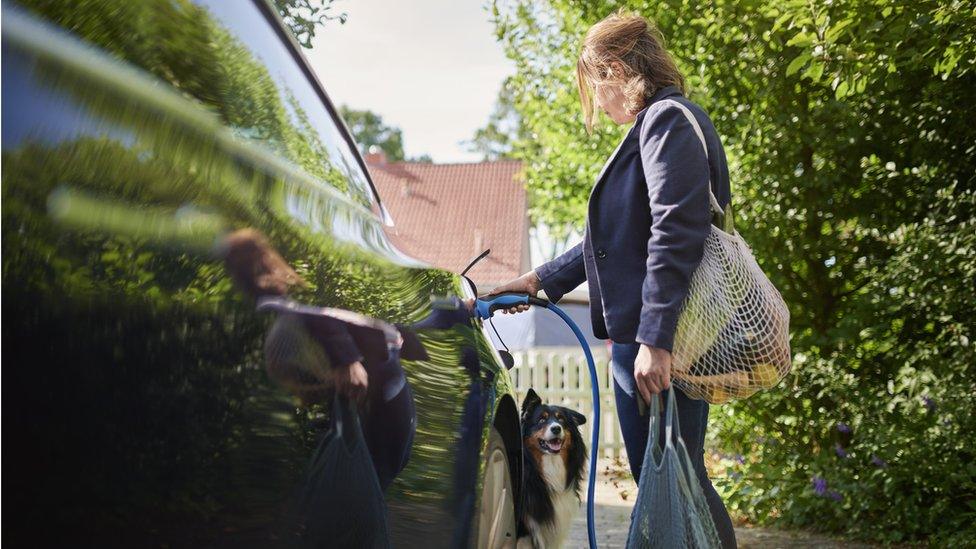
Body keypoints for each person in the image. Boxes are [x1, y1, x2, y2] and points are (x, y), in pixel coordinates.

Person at [487, 11, 737, 548]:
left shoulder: (666, 121)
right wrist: (538, 279)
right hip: (656, 337)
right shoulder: (659, 125)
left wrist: (655, 339)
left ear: (617, 69)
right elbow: (618, 241)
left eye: (595, 86)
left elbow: (676, 229)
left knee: (679, 480)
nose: (598, 102)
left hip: (665, 339)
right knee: (673, 478)